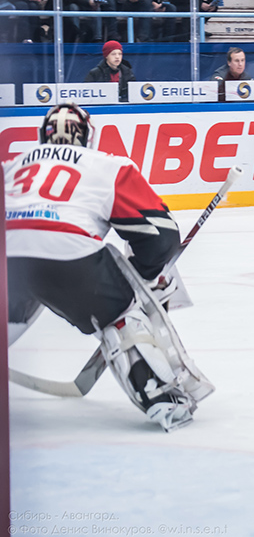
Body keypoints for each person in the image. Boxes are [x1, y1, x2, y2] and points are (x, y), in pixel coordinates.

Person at [5, 103, 213, 431]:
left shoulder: (13, 165)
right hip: (69, 252)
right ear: (89, 138)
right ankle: (159, 397)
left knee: (20, 287)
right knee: (123, 308)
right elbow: (161, 237)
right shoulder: (107, 165)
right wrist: (139, 283)